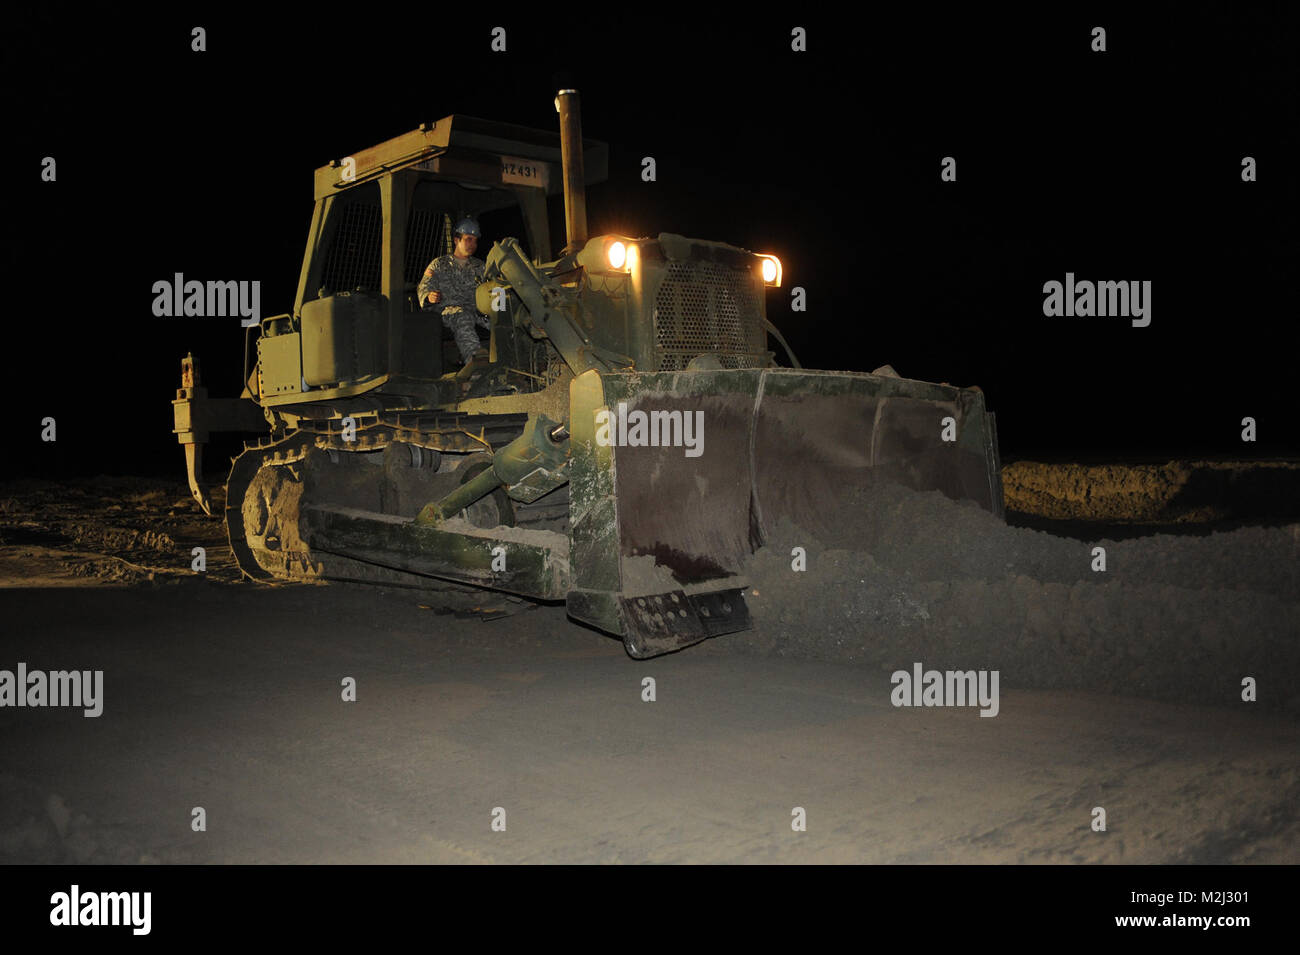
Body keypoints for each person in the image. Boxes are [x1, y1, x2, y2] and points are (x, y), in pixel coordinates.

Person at [417, 217, 490, 365]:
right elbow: (424, 287)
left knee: (504, 322)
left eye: (475, 240)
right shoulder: (439, 264)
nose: (473, 244)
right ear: (456, 240)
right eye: (468, 239)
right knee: (462, 316)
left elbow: (493, 288)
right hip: (449, 312)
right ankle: (475, 364)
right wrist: (428, 296)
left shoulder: (481, 267)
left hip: (476, 312)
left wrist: (500, 310)